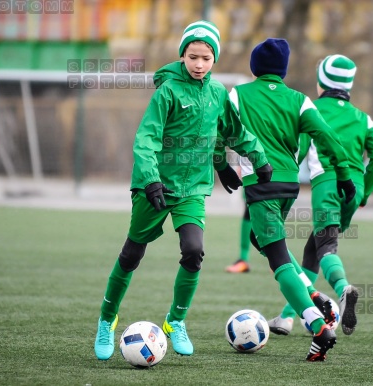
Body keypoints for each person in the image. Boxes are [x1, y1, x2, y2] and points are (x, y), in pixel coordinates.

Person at [94, 20, 272, 360]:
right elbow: (145, 139)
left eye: (206, 58)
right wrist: (150, 179)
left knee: (194, 251)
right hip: (156, 185)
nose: (199, 64)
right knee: (132, 255)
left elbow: (233, 131)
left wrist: (258, 159)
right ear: (183, 55)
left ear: (214, 59)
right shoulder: (168, 91)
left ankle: (175, 321)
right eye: (193, 57)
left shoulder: (218, 93)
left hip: (193, 189)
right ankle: (106, 320)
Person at [216, 38, 357, 361]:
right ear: (283, 70)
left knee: (278, 259)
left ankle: (318, 326)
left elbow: (219, 131)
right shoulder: (300, 100)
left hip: (260, 186)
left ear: (254, 68)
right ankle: (314, 294)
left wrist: (222, 165)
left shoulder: (239, 94)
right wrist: (346, 174)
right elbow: (327, 137)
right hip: (288, 188)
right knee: (261, 238)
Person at [267, 54, 373, 337]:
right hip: (353, 191)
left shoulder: (312, 109)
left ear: (321, 82)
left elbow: (297, 150)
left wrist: (279, 181)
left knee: (325, 248)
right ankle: (286, 317)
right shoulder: (363, 118)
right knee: (312, 251)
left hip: (327, 187)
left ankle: (344, 289)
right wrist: (364, 192)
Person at [225, 168, 253, 273]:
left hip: (263, 173)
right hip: (281, 173)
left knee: (253, 212)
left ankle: (244, 259)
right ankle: (278, 261)